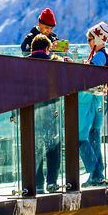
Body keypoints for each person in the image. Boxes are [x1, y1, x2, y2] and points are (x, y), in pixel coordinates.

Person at [78, 23, 108, 184]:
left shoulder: (99, 55)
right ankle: (98, 173)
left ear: (97, 38)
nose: (88, 43)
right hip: (99, 99)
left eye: (89, 39)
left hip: (90, 100)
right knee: (94, 134)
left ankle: (95, 171)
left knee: (80, 136)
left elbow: (89, 75)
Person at [28, 35, 63, 191]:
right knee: (53, 147)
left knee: (35, 149)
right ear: (47, 49)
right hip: (51, 111)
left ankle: (37, 184)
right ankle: (51, 182)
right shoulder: (54, 63)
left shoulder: (23, 63)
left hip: (31, 113)